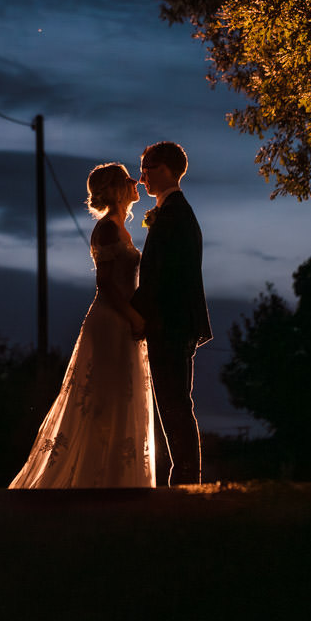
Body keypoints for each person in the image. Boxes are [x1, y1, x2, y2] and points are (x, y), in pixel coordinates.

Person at [10, 163, 155, 489]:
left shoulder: (123, 227)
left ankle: (117, 476)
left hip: (124, 318)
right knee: (102, 396)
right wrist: (132, 316)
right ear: (117, 188)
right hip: (111, 320)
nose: (136, 181)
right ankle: (92, 477)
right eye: (128, 178)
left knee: (121, 394)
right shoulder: (107, 229)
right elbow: (105, 283)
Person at [130, 141, 213, 487]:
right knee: (174, 399)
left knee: (175, 400)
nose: (142, 177)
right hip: (173, 322)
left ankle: (186, 479)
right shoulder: (172, 211)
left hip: (171, 323)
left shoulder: (175, 214)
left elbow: (163, 276)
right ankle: (185, 475)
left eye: (147, 167)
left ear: (165, 168)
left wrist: (134, 315)